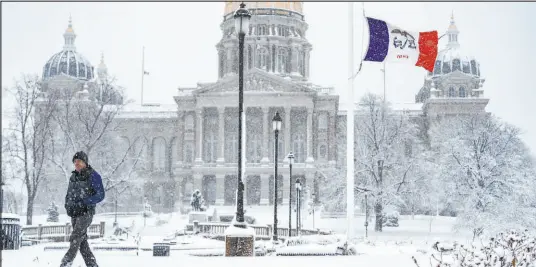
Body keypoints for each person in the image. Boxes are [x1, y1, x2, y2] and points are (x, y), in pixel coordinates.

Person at [61, 151, 105, 267]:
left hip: (86, 212)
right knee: (82, 243)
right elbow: (69, 194)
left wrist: (85, 202)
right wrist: (67, 205)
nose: (77, 164)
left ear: (85, 162)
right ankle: (92, 265)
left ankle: (65, 263)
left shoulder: (93, 175)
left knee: (75, 238)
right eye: (75, 162)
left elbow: (100, 195)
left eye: (79, 161)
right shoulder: (73, 177)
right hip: (74, 213)